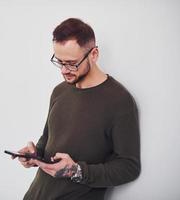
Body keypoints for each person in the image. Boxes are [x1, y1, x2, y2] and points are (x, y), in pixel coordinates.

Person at [13, 18, 141, 200]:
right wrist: (35, 155)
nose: (64, 70)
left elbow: (129, 167)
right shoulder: (59, 91)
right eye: (59, 62)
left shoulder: (119, 100)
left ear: (94, 54)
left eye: (71, 63)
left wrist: (76, 171)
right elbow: (48, 140)